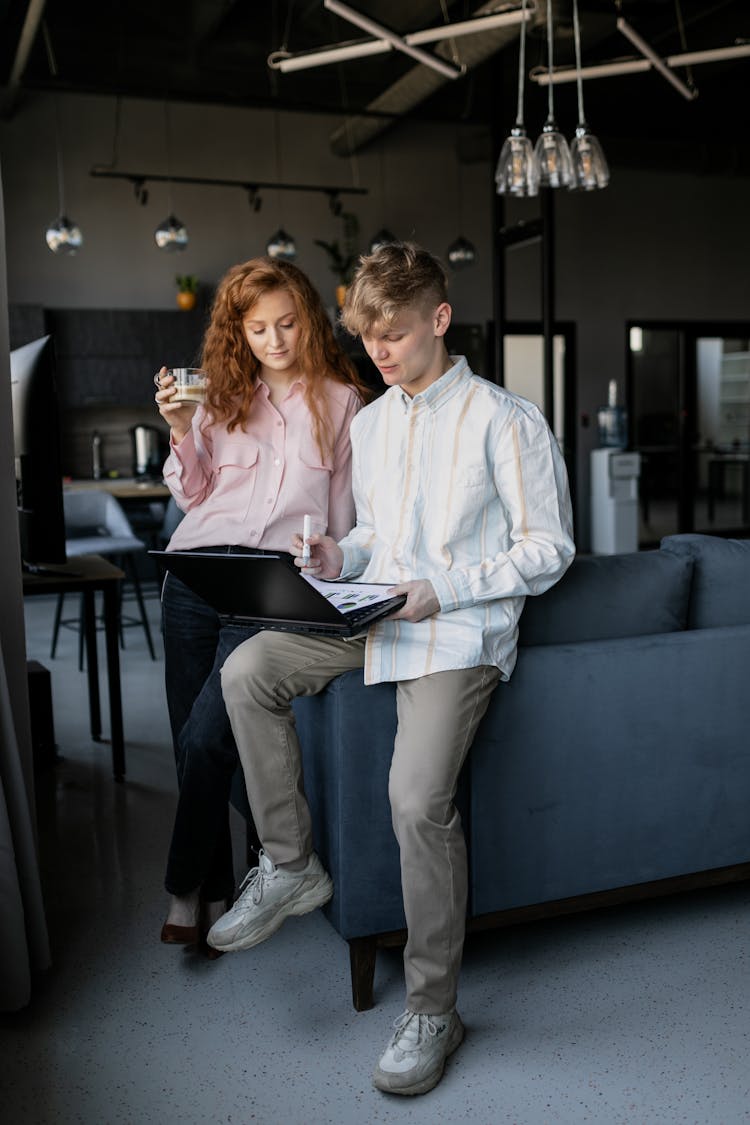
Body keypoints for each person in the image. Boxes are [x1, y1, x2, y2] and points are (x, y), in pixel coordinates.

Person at [207, 241, 575, 1093]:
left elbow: (549, 548)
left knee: (415, 798)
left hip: (456, 630)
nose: (380, 351)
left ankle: (434, 1007)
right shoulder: (371, 422)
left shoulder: (505, 419)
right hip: (371, 611)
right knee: (249, 668)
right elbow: (376, 537)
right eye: (369, 336)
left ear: (439, 320)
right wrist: (340, 554)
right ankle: (293, 862)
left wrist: (437, 590)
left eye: (397, 335)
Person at [155, 256, 366, 953]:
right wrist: (182, 429)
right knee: (192, 734)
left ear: (308, 317)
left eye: (287, 324)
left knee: (205, 734)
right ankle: (218, 882)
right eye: (258, 329)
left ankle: (187, 888)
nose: (275, 340)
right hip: (191, 574)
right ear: (238, 332)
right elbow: (191, 494)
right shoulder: (219, 394)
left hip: (266, 587)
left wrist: (328, 564)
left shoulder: (340, 402)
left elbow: (341, 520)